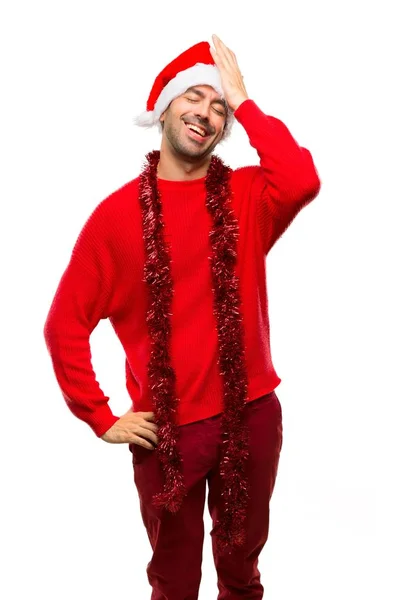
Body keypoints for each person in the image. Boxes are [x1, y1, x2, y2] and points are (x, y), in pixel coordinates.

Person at [43, 34, 321, 599]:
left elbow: (301, 178)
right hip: (167, 431)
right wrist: (99, 416)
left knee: (241, 569)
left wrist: (244, 99)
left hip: (253, 413)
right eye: (195, 97)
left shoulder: (248, 197)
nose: (207, 113)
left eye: (219, 108)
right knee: (174, 579)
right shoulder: (116, 219)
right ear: (165, 107)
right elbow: (64, 325)